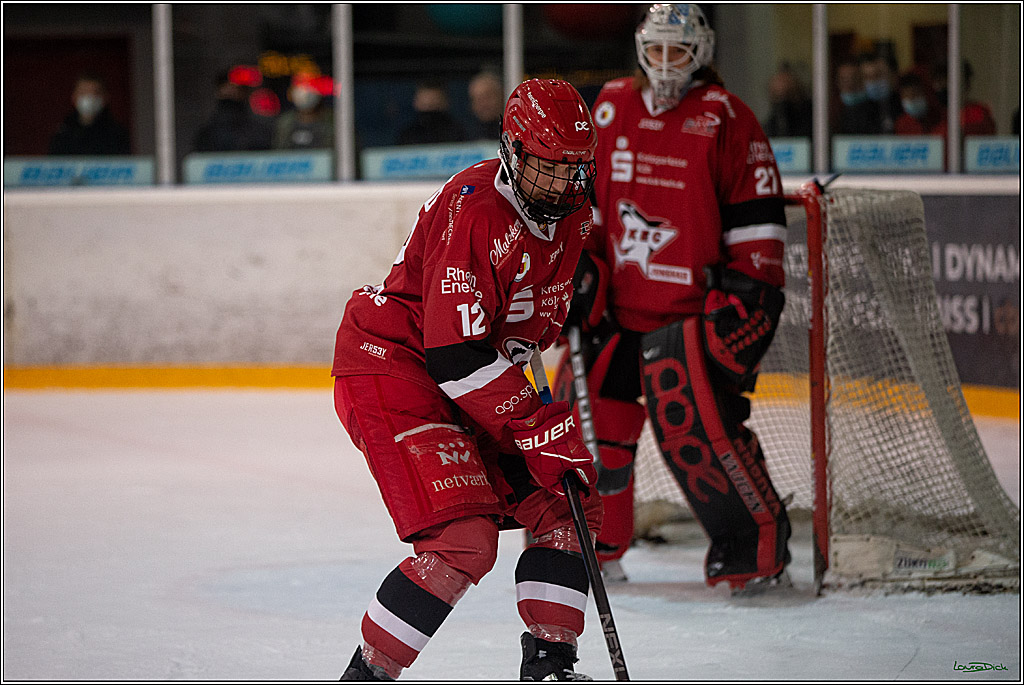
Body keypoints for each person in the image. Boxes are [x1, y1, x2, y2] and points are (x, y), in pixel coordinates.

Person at [332, 78, 602, 681]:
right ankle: (365, 676)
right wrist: (535, 426)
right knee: (464, 539)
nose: (561, 185)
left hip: (474, 375)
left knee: (567, 505)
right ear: (512, 151)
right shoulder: (478, 209)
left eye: (573, 170)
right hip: (395, 364)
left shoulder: (575, 212)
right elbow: (454, 357)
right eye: (546, 169)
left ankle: (550, 666)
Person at [553, 3, 791, 592]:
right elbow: (579, 204)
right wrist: (577, 266)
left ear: (702, 52)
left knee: (697, 434)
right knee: (583, 428)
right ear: (639, 48)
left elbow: (758, 228)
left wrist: (748, 301)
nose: (665, 63)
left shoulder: (727, 118)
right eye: (655, 49)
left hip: (689, 322)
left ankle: (753, 557)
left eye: (677, 50)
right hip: (616, 312)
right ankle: (591, 547)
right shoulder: (609, 105)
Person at [48, 74, 131, 156]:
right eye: (84, 92)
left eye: (95, 93)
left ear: (106, 97)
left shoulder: (117, 134)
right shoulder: (63, 133)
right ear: (74, 97)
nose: (90, 98)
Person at [193, 69, 273, 152]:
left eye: (239, 88)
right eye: (229, 86)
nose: (234, 91)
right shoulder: (209, 132)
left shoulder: (258, 130)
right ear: (220, 90)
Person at [273, 72, 335, 150]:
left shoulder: (332, 121)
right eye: (300, 85)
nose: (305, 91)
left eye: (311, 86)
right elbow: (279, 152)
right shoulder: (285, 122)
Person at [396, 80, 466, 145]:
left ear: (445, 103)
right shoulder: (408, 135)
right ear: (416, 103)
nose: (429, 112)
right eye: (424, 105)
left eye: (434, 106)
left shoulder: (456, 133)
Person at [762, 64, 812, 138]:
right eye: (777, 96)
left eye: (788, 93)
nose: (782, 101)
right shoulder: (772, 124)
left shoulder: (812, 121)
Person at [860, 50, 902, 134]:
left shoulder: (905, 108)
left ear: (894, 77)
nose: (873, 81)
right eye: (867, 77)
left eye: (878, 75)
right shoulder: (858, 113)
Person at [834, 59, 879, 134]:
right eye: (844, 79)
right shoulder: (830, 110)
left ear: (861, 80)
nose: (849, 84)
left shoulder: (875, 110)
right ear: (837, 82)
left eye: (854, 78)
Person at [894, 70, 946, 136]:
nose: (911, 99)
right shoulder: (901, 124)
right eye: (906, 96)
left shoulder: (942, 118)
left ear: (926, 93)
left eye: (915, 94)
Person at [466, 70, 504, 141]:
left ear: (501, 96)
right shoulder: (465, 135)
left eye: (487, 97)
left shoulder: (515, 130)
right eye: (477, 99)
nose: (483, 104)